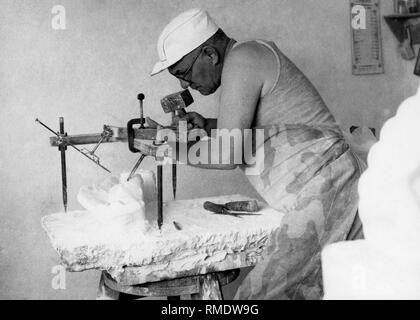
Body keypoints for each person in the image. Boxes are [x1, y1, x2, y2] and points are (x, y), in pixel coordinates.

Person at [151, 8, 364, 300]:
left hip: (330, 187)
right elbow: (270, 127)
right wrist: (211, 127)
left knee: (259, 298)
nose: (184, 85)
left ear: (210, 55)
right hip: (325, 187)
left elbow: (228, 154)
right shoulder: (245, 60)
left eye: (183, 73)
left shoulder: (243, 59)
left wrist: (172, 149)